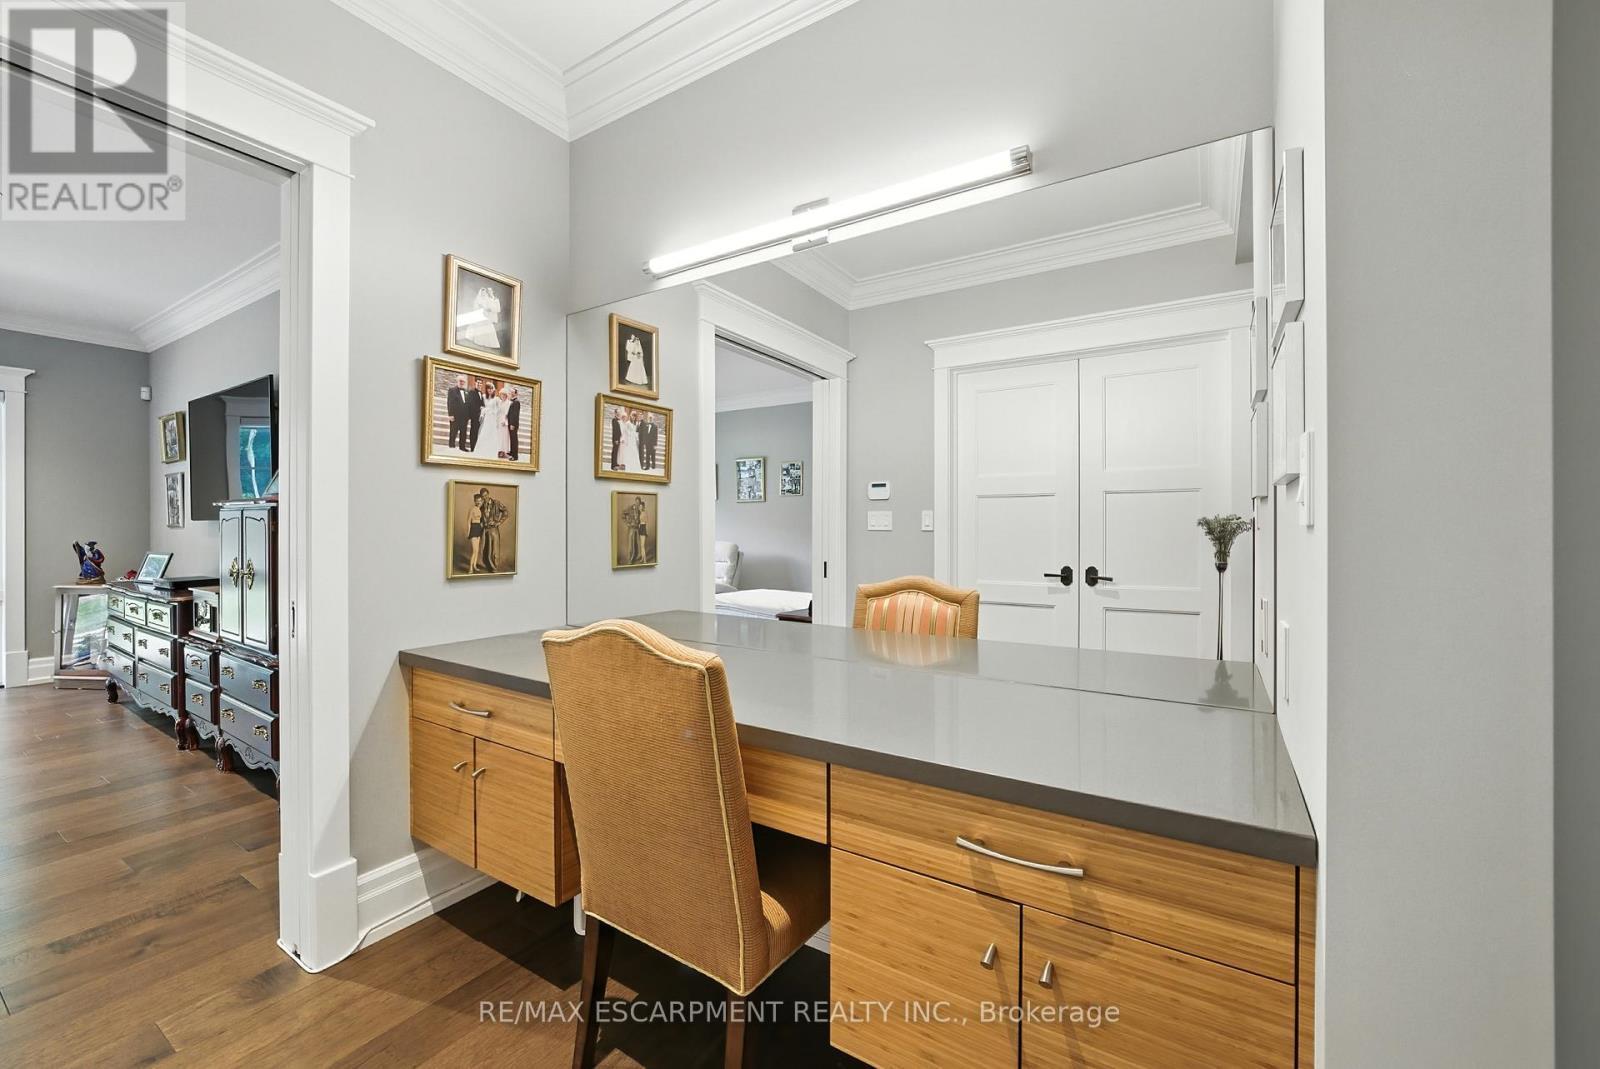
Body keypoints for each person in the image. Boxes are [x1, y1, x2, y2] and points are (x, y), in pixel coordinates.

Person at [461, 285, 502, 351]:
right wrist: (481, 308)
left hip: (486, 315)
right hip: (480, 314)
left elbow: (491, 307)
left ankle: (491, 343)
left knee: (489, 327)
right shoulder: (478, 299)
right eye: (482, 292)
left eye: (484, 292)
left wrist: (488, 309)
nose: (483, 293)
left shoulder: (488, 299)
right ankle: (478, 341)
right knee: (478, 325)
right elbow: (475, 307)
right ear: (480, 292)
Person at [473, 381, 503, 459]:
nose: (490, 390)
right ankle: (482, 449)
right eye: (488, 388)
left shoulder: (496, 399)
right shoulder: (483, 396)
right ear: (486, 389)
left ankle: (491, 450)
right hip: (486, 418)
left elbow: (500, 409)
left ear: (494, 389)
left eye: (491, 388)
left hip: (492, 418)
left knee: (492, 433)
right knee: (484, 432)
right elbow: (482, 406)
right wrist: (483, 412)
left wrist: (494, 412)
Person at [446, 374, 470, 450]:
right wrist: (450, 415)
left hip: (464, 416)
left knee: (463, 433)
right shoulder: (452, 390)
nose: (462, 382)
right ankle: (451, 446)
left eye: (463, 381)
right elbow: (449, 403)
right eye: (460, 381)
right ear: (457, 381)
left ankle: (462, 447)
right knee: (453, 432)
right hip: (455, 416)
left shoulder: (467, 391)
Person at [462, 378, 485, 452]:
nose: (479, 384)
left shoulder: (481, 393)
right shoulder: (471, 392)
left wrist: (483, 407)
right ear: (475, 383)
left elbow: (481, 403)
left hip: (479, 415)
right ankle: (472, 447)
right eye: (478, 383)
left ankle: (476, 446)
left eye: (480, 383)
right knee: (473, 431)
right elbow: (470, 403)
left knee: (477, 431)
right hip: (474, 415)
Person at [465, 491, 485, 573]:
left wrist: (481, 525)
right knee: (474, 550)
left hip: (478, 530)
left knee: (477, 550)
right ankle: (470, 568)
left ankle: (475, 565)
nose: (479, 502)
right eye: (477, 500)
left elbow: (480, 521)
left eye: (480, 500)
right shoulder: (472, 509)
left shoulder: (480, 510)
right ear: (475, 501)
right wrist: (468, 532)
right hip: (473, 529)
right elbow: (468, 521)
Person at [506, 388, 521, 461]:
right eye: (510, 392)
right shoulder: (511, 401)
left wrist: (512, 424)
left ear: (515, 394)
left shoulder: (517, 402)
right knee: (512, 439)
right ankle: (512, 452)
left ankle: (515, 456)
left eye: (512, 392)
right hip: (510, 423)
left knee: (514, 440)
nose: (511, 393)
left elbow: (515, 415)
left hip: (513, 424)